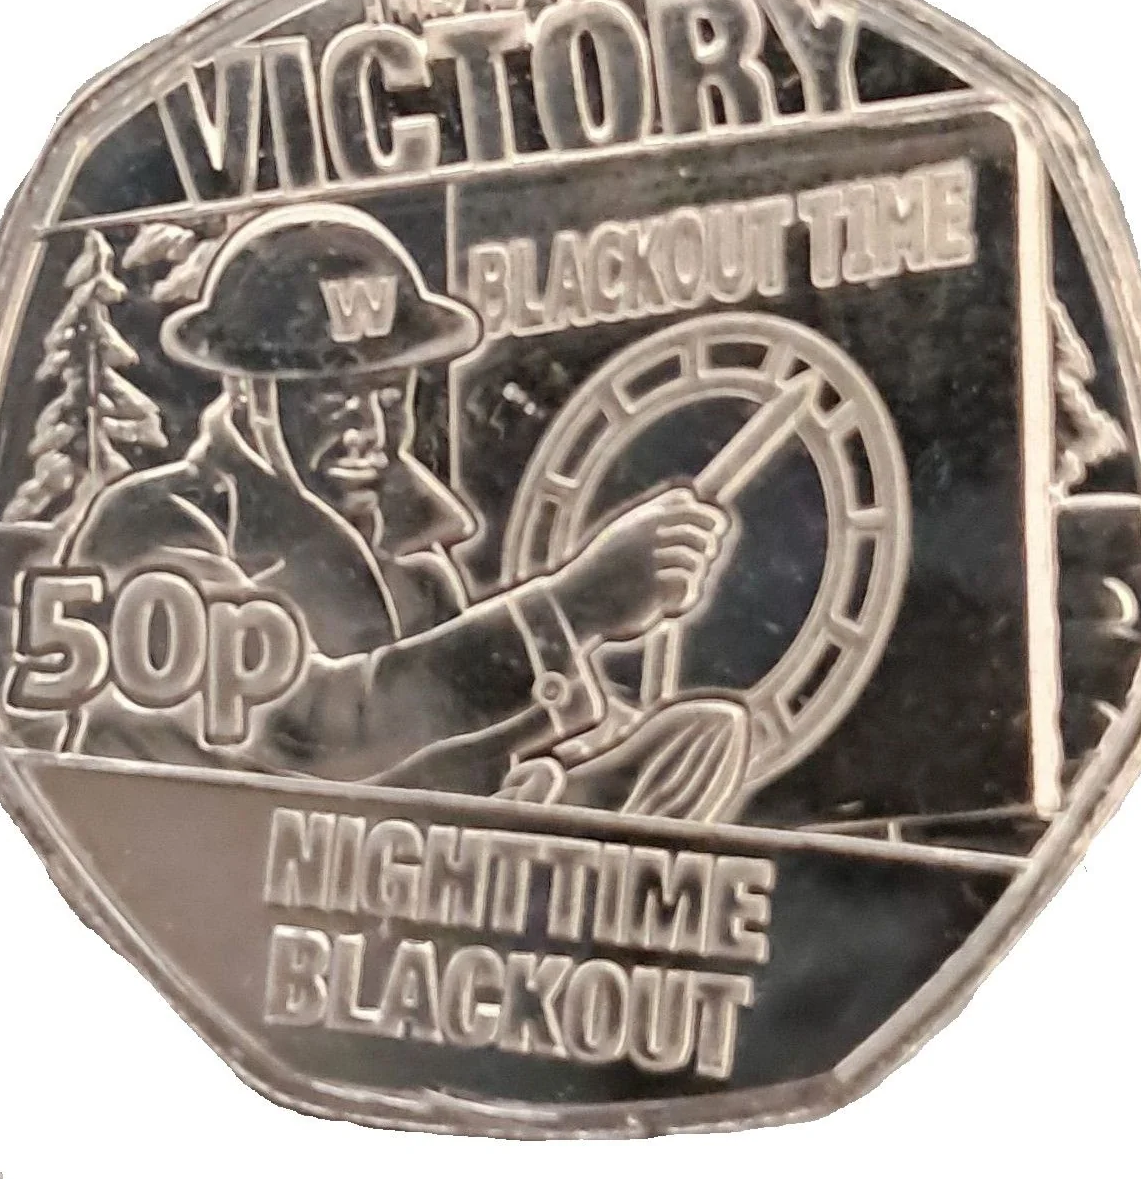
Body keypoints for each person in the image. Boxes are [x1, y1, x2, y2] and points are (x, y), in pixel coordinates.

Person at [58, 203, 736, 802]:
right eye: (332, 399)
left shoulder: (414, 564)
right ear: (249, 394)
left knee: (695, 740)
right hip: (221, 858)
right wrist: (575, 605)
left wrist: (561, 768)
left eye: (388, 397)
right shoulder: (155, 523)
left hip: (386, 857)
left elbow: (452, 738)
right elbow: (308, 731)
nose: (370, 433)